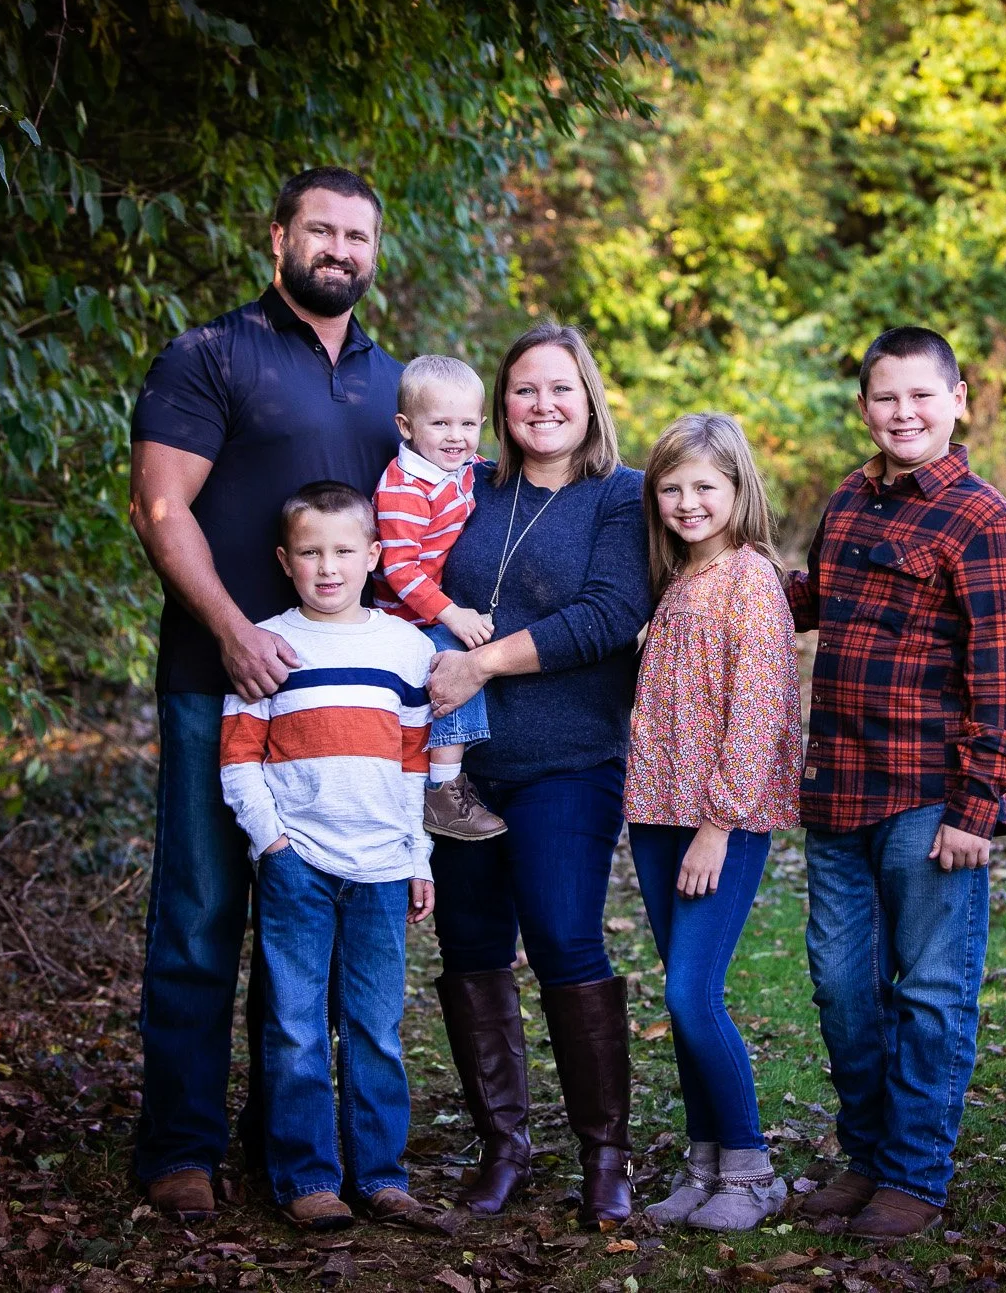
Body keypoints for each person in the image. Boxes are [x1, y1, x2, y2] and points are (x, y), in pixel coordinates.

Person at [126, 167, 402, 1220]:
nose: (339, 250)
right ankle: (179, 1148)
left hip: (344, 715)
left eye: (358, 237)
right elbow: (161, 508)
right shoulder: (208, 357)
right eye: (321, 231)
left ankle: (286, 1144)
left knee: (310, 923)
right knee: (202, 917)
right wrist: (233, 632)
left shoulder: (391, 382)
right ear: (277, 235)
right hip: (221, 683)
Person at [789, 327, 1006, 1241]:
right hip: (837, 792)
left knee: (931, 989)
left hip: (929, 798)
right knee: (842, 988)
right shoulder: (848, 502)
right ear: (863, 408)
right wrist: (719, 579)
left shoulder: (982, 520)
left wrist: (978, 808)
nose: (903, 413)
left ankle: (914, 1173)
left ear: (959, 399)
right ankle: (866, 1155)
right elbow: (809, 599)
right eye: (886, 398)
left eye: (922, 397)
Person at [423, 322, 653, 1225]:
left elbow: (606, 617)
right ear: (501, 406)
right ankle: (504, 1146)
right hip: (457, 769)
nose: (542, 405)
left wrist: (480, 664)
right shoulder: (467, 489)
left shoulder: (620, 496)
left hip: (568, 761)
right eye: (523, 390)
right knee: (471, 948)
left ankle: (605, 1154)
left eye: (560, 388)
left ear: (588, 397)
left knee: (564, 935)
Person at [218, 481, 436, 1231]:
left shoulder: (406, 647)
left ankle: (380, 1173)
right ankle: (307, 1177)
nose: (328, 566)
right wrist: (270, 841)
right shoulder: (269, 643)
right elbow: (239, 754)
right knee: (295, 1026)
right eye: (311, 552)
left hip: (380, 867)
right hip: (298, 863)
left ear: (375, 554)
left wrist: (419, 856)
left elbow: (416, 762)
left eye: (345, 550)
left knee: (375, 1026)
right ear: (285, 559)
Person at [626, 414, 803, 1231]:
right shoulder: (673, 583)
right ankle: (704, 1169)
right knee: (680, 991)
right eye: (672, 487)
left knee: (694, 995)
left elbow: (760, 707)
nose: (689, 502)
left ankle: (752, 1169)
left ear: (738, 490)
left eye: (706, 486)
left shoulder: (749, 578)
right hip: (657, 811)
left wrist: (719, 823)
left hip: (716, 821)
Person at [371, 355, 508, 840]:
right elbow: (400, 570)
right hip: (406, 615)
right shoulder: (405, 489)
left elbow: (482, 468)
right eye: (441, 423)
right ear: (406, 427)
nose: (457, 436)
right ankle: (442, 791)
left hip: (431, 601)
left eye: (468, 423)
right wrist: (451, 614)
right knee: (456, 662)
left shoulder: (460, 465)